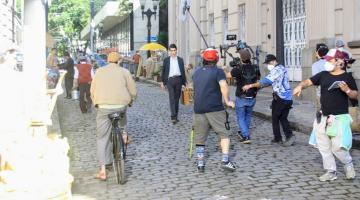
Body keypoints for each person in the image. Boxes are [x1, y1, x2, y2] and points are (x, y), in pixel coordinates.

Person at [293, 49, 357, 181]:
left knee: (338, 147)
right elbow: (308, 82)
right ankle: (331, 171)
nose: (326, 62)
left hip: (339, 118)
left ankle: (348, 164)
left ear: (340, 61)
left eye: (330, 59)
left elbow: (355, 95)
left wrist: (347, 90)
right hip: (322, 116)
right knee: (324, 147)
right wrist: (300, 86)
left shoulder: (347, 77)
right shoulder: (323, 74)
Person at [90, 52, 137, 181]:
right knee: (123, 116)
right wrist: (131, 99)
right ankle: (123, 134)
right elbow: (133, 90)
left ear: (107, 61)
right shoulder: (124, 72)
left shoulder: (99, 71)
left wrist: (96, 102)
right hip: (120, 106)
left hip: (104, 107)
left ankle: (103, 171)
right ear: (119, 61)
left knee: (102, 137)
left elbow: (92, 90)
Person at [192, 48, 236, 173]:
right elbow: (224, 86)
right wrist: (227, 101)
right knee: (224, 134)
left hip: (198, 109)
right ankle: (225, 161)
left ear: (204, 60)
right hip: (215, 108)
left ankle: (200, 164)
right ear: (216, 59)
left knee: (200, 138)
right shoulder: (218, 72)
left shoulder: (197, 72)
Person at [243, 54, 295, 146]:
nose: (268, 65)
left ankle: (287, 136)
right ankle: (280, 137)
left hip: (281, 97)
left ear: (274, 61)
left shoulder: (276, 70)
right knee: (281, 117)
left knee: (276, 117)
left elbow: (265, 81)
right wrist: (260, 87)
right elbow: (272, 82)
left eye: (269, 63)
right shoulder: (282, 68)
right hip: (285, 97)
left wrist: (250, 85)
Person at [226, 49, 260, 144]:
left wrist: (229, 69)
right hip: (252, 96)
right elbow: (258, 81)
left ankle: (246, 136)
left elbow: (227, 76)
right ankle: (243, 131)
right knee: (248, 115)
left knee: (240, 117)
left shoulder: (238, 68)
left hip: (241, 96)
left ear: (241, 58)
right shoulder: (255, 67)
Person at [161, 44, 186, 124]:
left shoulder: (180, 60)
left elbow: (183, 72)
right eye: (171, 51)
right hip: (170, 81)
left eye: (174, 50)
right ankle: (173, 116)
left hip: (178, 80)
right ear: (169, 51)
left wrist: (184, 83)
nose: (173, 52)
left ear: (176, 50)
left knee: (176, 99)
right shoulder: (166, 60)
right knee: (171, 98)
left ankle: (176, 115)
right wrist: (162, 82)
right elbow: (163, 71)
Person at [312, 43, 329, 109]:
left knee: (321, 113)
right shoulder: (333, 62)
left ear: (317, 52)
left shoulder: (315, 65)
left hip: (321, 93)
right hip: (333, 93)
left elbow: (315, 81)